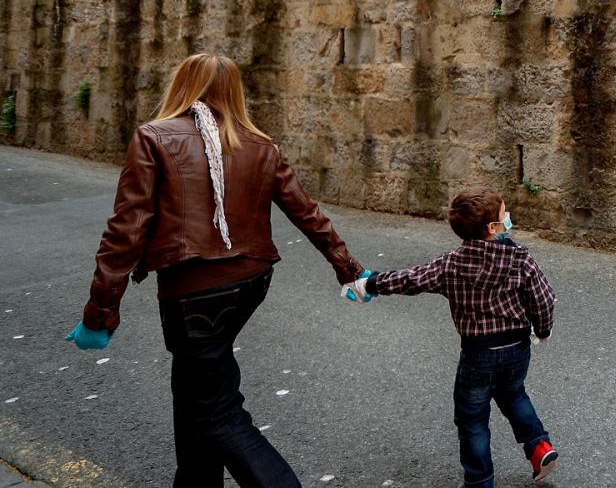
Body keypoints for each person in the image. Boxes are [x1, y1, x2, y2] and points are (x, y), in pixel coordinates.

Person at [66, 52, 366, 487]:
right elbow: (309, 214)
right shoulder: (261, 144)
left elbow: (125, 232)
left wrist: (100, 313)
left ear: (182, 84)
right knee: (194, 389)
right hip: (250, 283)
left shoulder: (154, 136)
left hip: (193, 293)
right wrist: (349, 270)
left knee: (217, 409)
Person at [343, 187, 558, 486]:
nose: (508, 219)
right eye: (504, 216)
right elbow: (544, 299)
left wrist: (373, 283)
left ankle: (480, 481)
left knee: (472, 419)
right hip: (517, 348)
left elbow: (411, 279)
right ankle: (539, 447)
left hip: (478, 354)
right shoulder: (521, 259)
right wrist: (542, 329)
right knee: (513, 393)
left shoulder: (450, 264)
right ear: (493, 228)